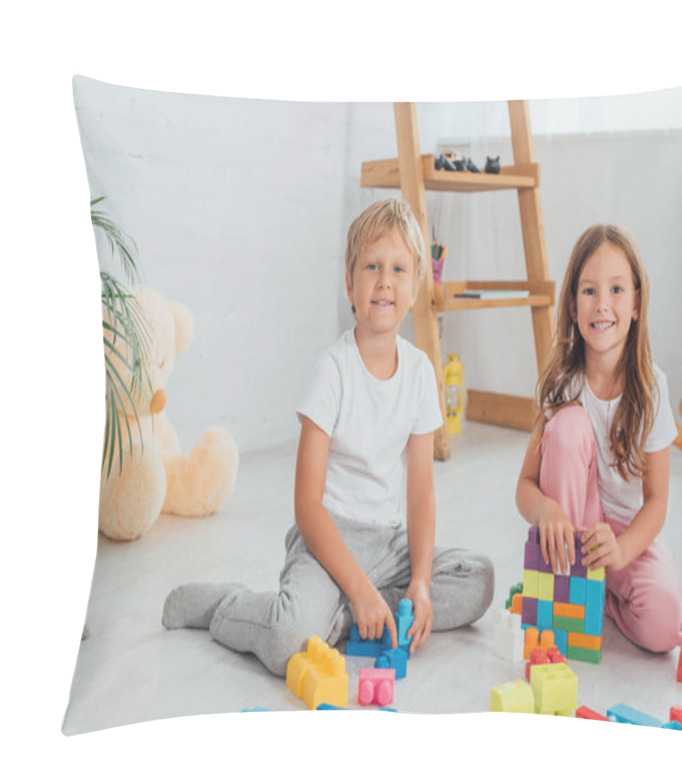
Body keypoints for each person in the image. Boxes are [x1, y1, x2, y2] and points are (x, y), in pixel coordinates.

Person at [162, 198, 494, 676]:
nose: (384, 281)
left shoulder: (421, 372)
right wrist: (358, 589)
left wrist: (420, 582)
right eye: (372, 267)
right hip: (327, 539)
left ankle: (352, 615)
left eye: (399, 269)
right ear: (349, 284)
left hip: (389, 545)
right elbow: (308, 506)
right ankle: (230, 604)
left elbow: (421, 491)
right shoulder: (332, 371)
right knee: (285, 641)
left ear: (416, 287)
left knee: (477, 579)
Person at [516, 224, 682, 653]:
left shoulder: (652, 389)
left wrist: (624, 551)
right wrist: (548, 510)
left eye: (616, 290)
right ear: (572, 305)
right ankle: (568, 581)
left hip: (623, 538)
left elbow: (658, 500)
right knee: (569, 427)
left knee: (664, 629)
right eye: (589, 291)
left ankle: (604, 596)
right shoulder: (562, 386)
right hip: (576, 530)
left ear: (636, 303)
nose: (602, 305)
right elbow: (524, 487)